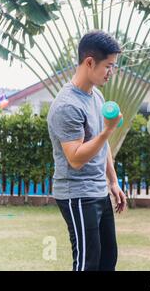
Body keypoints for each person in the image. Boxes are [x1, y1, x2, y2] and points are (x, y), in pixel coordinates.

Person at [47, 30, 127, 271]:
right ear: (90, 62)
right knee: (87, 263)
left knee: (107, 259)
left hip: (98, 190)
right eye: (109, 66)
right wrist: (107, 131)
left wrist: (113, 182)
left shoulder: (97, 96)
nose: (111, 72)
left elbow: (102, 148)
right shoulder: (67, 105)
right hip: (77, 194)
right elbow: (75, 159)